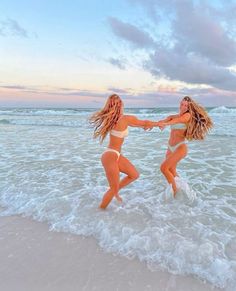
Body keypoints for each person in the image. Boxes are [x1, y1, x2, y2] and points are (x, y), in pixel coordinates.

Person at [89, 94, 160, 209]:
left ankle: (116, 190)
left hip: (115, 155)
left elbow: (139, 124)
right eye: (118, 103)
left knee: (134, 175)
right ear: (121, 104)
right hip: (110, 156)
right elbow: (143, 122)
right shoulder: (124, 118)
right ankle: (100, 210)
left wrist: (148, 125)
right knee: (113, 189)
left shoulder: (115, 119)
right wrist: (158, 124)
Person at [157, 96, 213, 197]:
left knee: (164, 168)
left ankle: (174, 193)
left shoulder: (187, 116)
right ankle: (182, 189)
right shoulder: (173, 116)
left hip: (180, 147)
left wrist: (165, 124)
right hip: (170, 147)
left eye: (186, 105)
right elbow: (163, 121)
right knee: (171, 170)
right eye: (182, 104)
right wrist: (151, 125)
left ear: (189, 107)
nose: (183, 106)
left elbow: (177, 121)